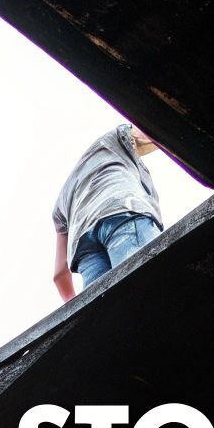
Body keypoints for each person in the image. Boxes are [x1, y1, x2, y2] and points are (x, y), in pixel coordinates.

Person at [51, 123, 164, 300]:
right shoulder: (113, 139)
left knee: (107, 309)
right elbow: (159, 131)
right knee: (150, 287)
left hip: (84, 249)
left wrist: (78, 308)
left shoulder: (61, 204)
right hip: (122, 211)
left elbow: (59, 275)